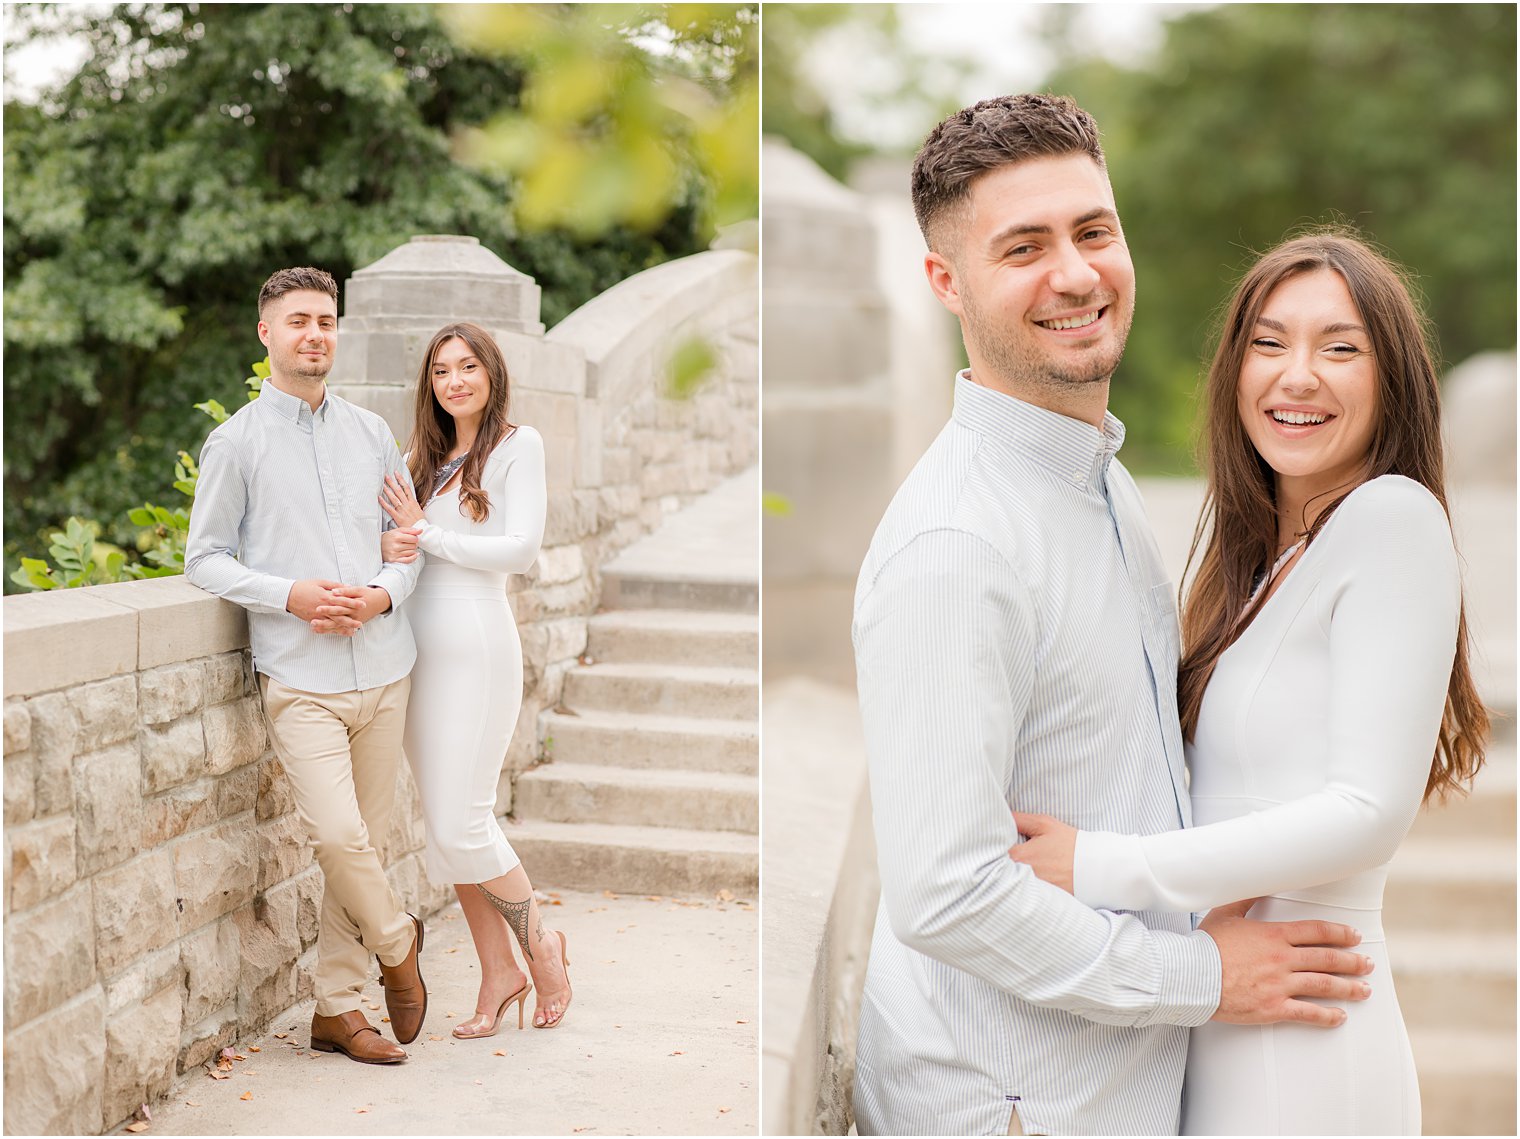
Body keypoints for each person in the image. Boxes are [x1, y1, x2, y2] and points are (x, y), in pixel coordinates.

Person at [851, 95, 1378, 1137]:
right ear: (944, 281)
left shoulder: (1102, 485)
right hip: (1018, 1107)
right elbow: (943, 892)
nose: (1077, 273)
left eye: (1092, 229)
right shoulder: (957, 545)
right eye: (1023, 246)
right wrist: (1199, 972)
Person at [1008, 230, 1489, 1134]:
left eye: (1339, 348)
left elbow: (1367, 809)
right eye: (1269, 343)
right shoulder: (1266, 564)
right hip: (1228, 1011)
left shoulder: (1391, 518)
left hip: (1308, 1038)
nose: (1296, 375)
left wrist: (1105, 866)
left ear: (1394, 382)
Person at [185, 267, 428, 1065]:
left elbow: (407, 546)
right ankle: (399, 943)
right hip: (301, 677)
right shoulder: (237, 443)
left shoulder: (372, 434)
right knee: (336, 834)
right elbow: (205, 560)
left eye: (326, 320)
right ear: (267, 334)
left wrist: (382, 597)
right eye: (298, 321)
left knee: (361, 847)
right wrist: (288, 593)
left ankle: (338, 1006)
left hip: (385, 667)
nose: (315, 333)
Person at [377, 321, 573, 1035]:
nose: (454, 380)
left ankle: (540, 947)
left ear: (490, 372)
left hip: (477, 647)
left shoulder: (519, 447)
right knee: (444, 830)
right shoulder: (417, 460)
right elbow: (401, 550)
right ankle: (497, 975)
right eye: (440, 371)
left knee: (467, 820)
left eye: (467, 367)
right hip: (417, 653)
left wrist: (423, 532)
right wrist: (395, 539)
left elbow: (517, 550)